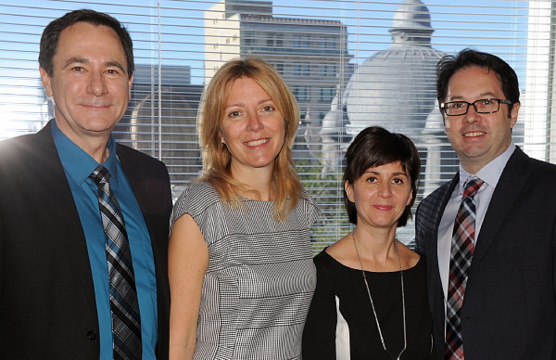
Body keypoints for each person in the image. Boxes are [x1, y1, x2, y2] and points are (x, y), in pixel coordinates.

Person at [0, 9, 172, 359]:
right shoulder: (7, 176)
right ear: (47, 80)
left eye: (112, 70)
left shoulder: (152, 175)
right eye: (78, 68)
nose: (97, 86)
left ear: (130, 82)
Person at [167, 57, 319, 360]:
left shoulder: (301, 209)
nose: (254, 125)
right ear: (220, 133)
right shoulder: (201, 210)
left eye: (266, 108)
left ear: (285, 119)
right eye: (236, 113)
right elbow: (180, 341)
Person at [415, 48, 556, 360]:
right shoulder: (429, 211)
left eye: (486, 102)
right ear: (444, 118)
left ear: (513, 112)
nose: (470, 116)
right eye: (456, 105)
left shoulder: (550, 190)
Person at [303, 126, 434, 360]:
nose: (385, 192)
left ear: (410, 195)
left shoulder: (426, 273)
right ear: (350, 190)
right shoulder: (321, 275)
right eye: (372, 179)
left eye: (397, 180)